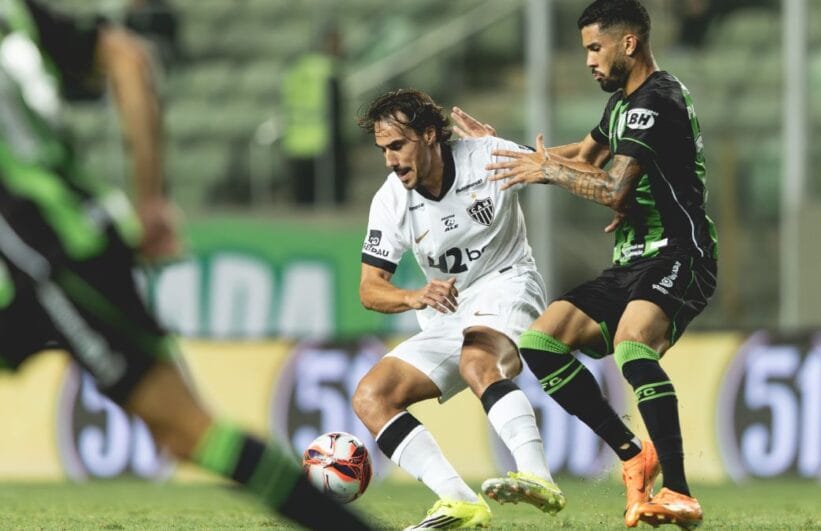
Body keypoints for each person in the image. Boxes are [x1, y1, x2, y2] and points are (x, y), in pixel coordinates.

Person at [0, 2, 367, 530]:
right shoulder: (17, 12)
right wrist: (150, 200)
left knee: (187, 431)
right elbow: (127, 57)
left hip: (51, 253)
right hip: (54, 243)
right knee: (188, 431)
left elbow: (126, 59)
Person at [453, 0, 717, 528]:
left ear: (629, 43)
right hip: (629, 262)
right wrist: (504, 151)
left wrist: (545, 172)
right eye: (585, 50)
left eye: (595, 48)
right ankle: (632, 453)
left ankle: (681, 491)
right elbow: (587, 156)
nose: (589, 60)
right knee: (541, 343)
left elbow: (612, 185)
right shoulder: (622, 105)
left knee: (633, 344)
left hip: (678, 252)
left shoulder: (656, 99)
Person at [354, 89, 565, 529]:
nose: (391, 160)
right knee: (372, 396)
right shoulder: (391, 200)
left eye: (398, 145)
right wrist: (414, 296)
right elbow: (371, 289)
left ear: (429, 135)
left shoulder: (486, 156)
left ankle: (538, 476)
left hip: (508, 283)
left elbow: (558, 166)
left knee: (477, 360)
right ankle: (459, 501)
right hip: (448, 310)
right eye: (383, 150)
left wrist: (608, 181)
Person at [281, 26, 347, 206]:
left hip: (295, 137)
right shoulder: (328, 71)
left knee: (302, 203)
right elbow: (336, 109)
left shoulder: (297, 67)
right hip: (323, 138)